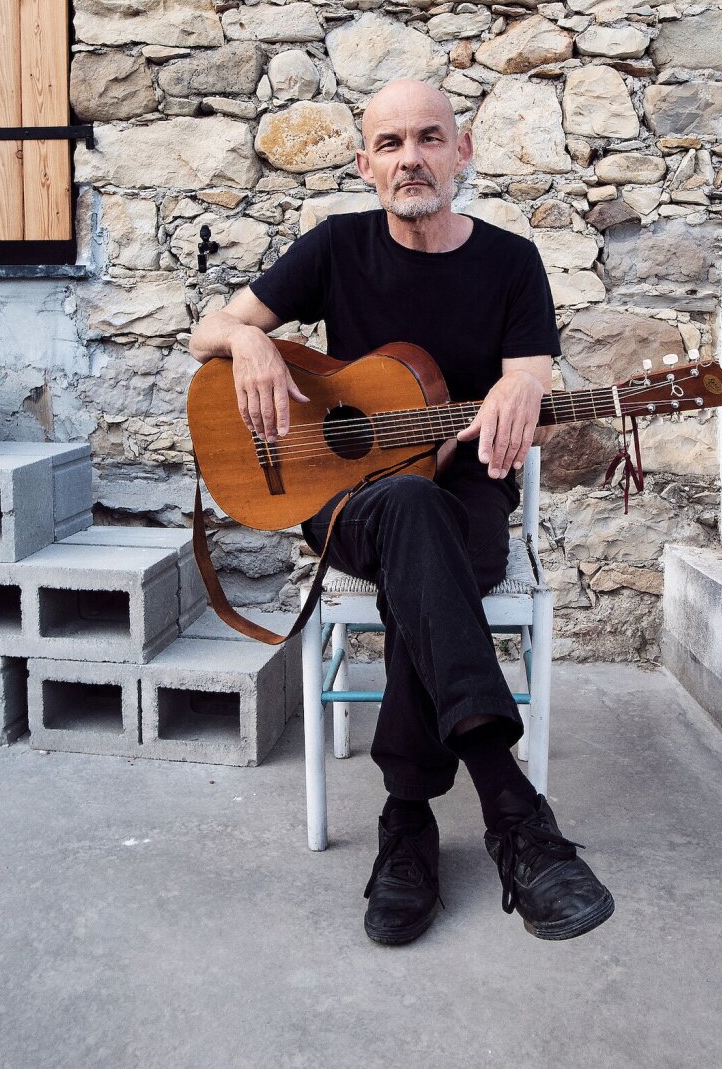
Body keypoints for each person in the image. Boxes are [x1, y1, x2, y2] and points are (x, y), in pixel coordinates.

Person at [188, 78, 614, 945]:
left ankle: (407, 822)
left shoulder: (510, 261)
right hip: (343, 500)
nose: (409, 157)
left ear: (463, 153)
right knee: (408, 510)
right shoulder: (337, 248)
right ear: (366, 165)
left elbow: (531, 373)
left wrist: (513, 392)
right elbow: (208, 328)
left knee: (425, 517)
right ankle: (513, 814)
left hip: (463, 497)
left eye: (428, 138)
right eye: (389, 144)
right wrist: (249, 340)